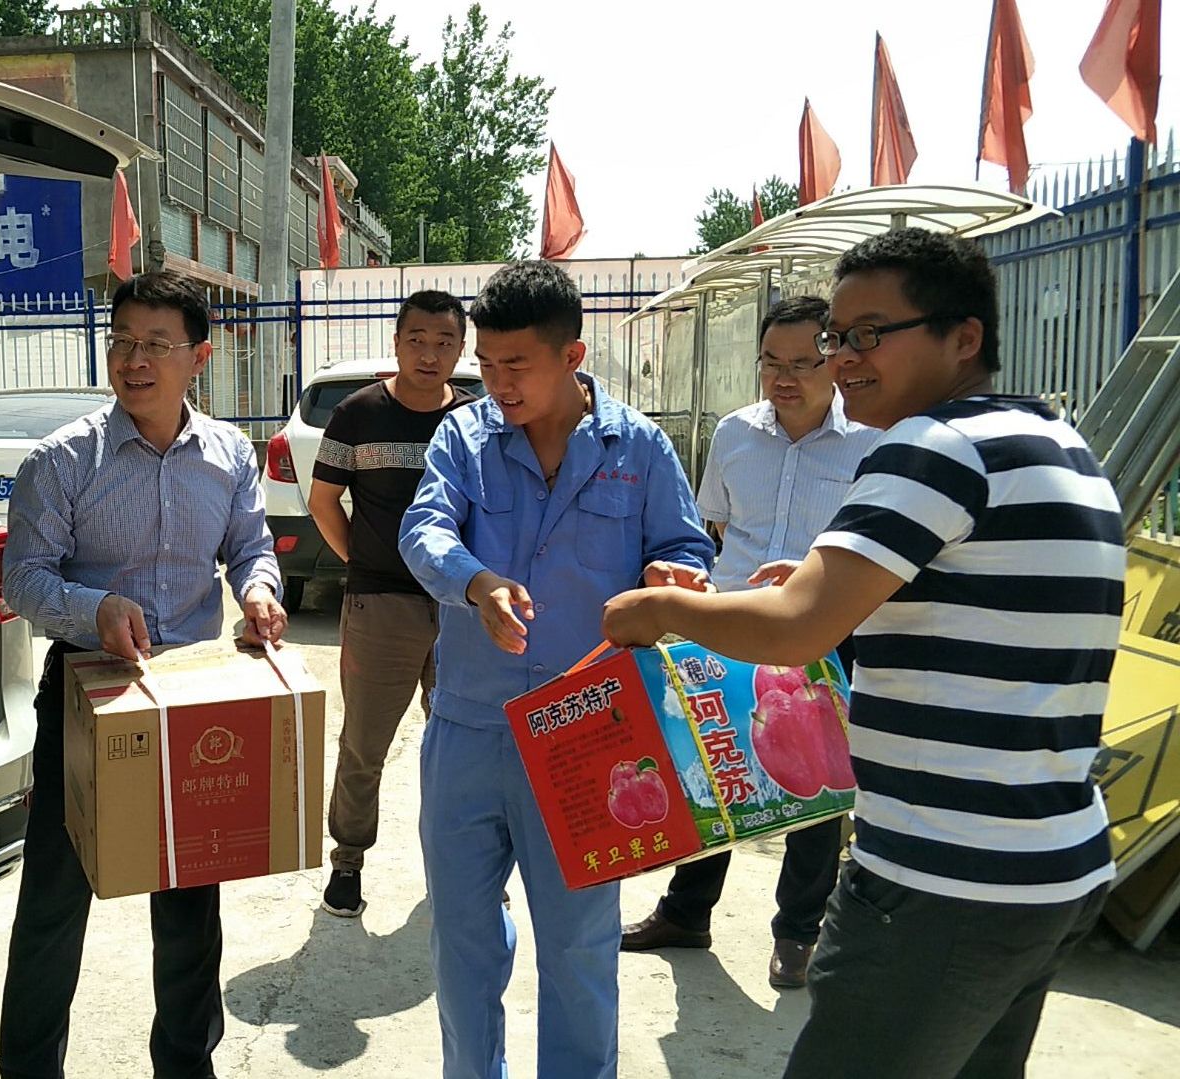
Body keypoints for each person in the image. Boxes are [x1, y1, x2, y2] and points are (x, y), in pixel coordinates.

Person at [603, 228, 1121, 1079]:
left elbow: (794, 628)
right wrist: (823, 588)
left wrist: (660, 609)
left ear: (964, 337)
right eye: (837, 335)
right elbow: (973, 606)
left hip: (943, 875)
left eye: (871, 333)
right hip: (1050, 866)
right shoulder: (1055, 444)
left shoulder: (932, 448)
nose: (844, 358)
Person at [399, 260, 714, 1078]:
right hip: (471, 728)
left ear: (572, 356)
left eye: (517, 365)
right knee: (462, 940)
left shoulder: (638, 448)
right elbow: (423, 530)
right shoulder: (464, 438)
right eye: (487, 364)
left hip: (592, 736)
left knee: (579, 947)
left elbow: (684, 547)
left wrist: (674, 578)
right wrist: (477, 582)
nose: (498, 383)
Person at [0, 270, 288, 1079]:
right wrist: (95, 609)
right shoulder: (64, 460)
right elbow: (23, 578)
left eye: (156, 344)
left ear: (199, 356)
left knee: (190, 903)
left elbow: (250, 548)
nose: (134, 360)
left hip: (190, 698)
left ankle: (186, 1064)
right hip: (87, 694)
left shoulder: (227, 454)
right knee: (56, 898)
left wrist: (260, 590)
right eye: (122, 341)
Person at [621, 294, 880, 988]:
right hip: (732, 626)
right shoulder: (735, 433)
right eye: (771, 362)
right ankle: (687, 912)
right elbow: (714, 529)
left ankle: (798, 932)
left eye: (801, 363)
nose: (783, 378)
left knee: (816, 785)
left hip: (826, 633)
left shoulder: (871, 443)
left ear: (834, 361)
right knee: (713, 766)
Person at [310, 290, 475, 918]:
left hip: (461, 607)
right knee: (364, 743)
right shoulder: (356, 414)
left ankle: (462, 865)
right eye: (417, 341)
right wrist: (362, 560)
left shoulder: (475, 420)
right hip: (381, 606)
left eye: (443, 342)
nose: (429, 354)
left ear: (461, 349)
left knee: (461, 744)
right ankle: (348, 862)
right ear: (397, 342)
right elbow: (324, 500)